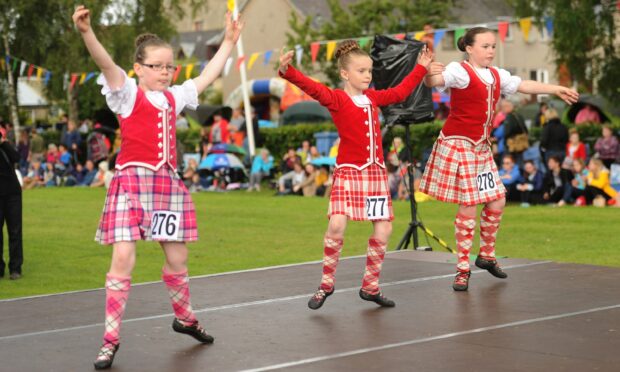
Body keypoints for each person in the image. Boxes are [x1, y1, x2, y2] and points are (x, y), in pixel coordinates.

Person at [73, 5, 242, 369]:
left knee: (177, 258)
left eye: (170, 67)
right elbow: (105, 65)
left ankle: (185, 318)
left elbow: (209, 76)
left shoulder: (175, 97)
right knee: (122, 258)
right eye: (158, 66)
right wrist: (87, 33)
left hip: (166, 184)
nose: (165, 72)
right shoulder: (126, 93)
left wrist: (228, 42)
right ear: (138, 68)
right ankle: (110, 339)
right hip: (131, 181)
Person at [422, 26, 579, 291]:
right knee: (469, 205)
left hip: (481, 147)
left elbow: (522, 84)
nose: (491, 51)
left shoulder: (496, 75)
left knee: (497, 200)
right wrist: (428, 73)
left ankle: (486, 255)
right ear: (469, 48)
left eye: (493, 46)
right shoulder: (460, 71)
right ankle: (462, 268)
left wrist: (555, 88)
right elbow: (436, 82)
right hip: (459, 144)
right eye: (485, 46)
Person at [279, 39, 432, 308]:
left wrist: (420, 68)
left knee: (384, 227)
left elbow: (400, 92)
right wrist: (287, 71)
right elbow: (312, 88)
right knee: (337, 224)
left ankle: (370, 286)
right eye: (362, 71)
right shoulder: (337, 98)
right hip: (349, 171)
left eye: (370, 71)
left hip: (374, 173)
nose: (368, 76)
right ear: (345, 74)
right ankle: (326, 284)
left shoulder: (373, 97)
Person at [0, 125, 23, 280]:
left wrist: (4, 143)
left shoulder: (5, 147)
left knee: (14, 231)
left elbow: (16, 158)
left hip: (13, 194)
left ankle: (15, 268)